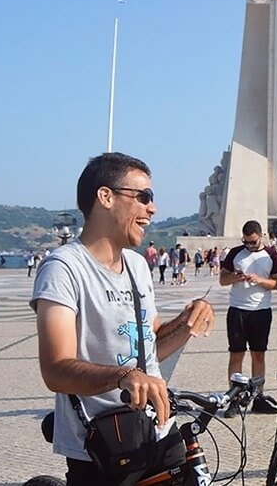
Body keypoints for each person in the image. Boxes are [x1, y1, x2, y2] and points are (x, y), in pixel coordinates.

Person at [32, 152, 215, 485]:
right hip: (101, 446)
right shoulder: (63, 269)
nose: (153, 208)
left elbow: (149, 347)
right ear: (106, 196)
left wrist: (186, 323)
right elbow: (55, 368)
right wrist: (124, 377)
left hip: (159, 433)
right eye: (143, 196)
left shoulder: (138, 266)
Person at [219, 220, 277, 416]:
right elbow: (222, 279)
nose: (249, 246)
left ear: (261, 236)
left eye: (253, 242)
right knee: (236, 354)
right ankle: (234, 398)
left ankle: (258, 397)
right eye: (246, 242)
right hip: (237, 309)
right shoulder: (235, 253)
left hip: (261, 310)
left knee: (258, 354)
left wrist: (260, 280)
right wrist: (235, 277)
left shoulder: (272, 254)